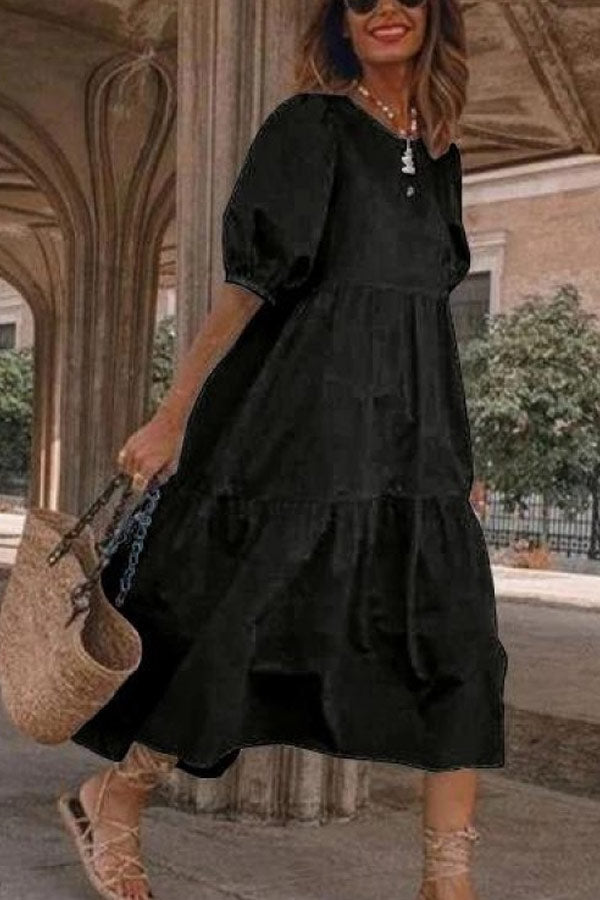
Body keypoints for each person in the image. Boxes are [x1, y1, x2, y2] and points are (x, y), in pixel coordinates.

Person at [57, 1, 509, 898]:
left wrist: (455, 459)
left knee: (459, 646)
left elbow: (428, 324)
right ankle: (115, 797)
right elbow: (246, 290)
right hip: (297, 431)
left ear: (434, 14)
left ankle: (448, 880)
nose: (385, 9)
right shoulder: (311, 127)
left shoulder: (442, 154)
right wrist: (174, 414)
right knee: (238, 631)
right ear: (341, 21)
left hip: (414, 452)